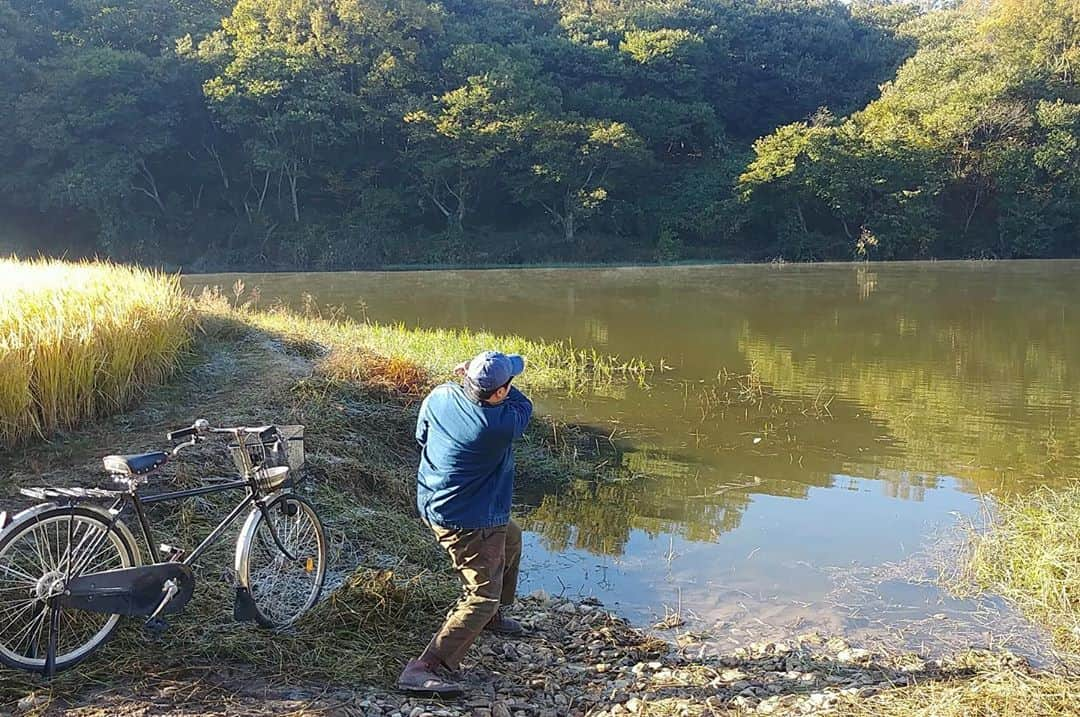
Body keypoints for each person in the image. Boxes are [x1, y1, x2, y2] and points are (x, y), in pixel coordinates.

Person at [397, 350, 534, 697]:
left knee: (513, 539)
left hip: (434, 499)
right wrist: (487, 384)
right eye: (509, 383)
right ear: (501, 392)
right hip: (468, 520)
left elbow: (421, 438)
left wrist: (469, 381)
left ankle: (490, 618)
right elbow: (524, 405)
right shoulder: (499, 425)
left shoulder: (440, 395)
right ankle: (425, 667)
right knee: (482, 594)